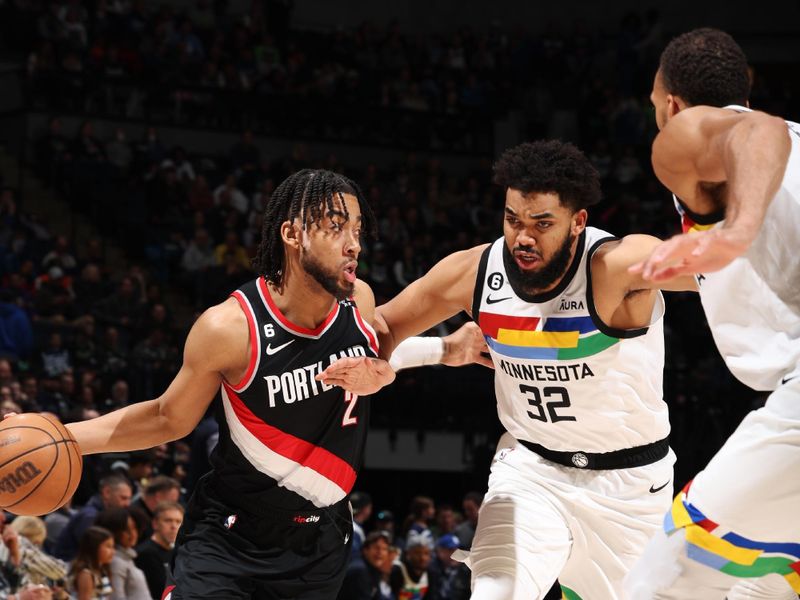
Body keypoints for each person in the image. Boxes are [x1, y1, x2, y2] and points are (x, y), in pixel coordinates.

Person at [30, 169, 481, 599]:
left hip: (319, 542)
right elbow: (167, 417)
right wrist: (63, 440)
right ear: (292, 235)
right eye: (337, 227)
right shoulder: (231, 328)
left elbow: (376, 358)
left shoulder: (358, 300)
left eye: (358, 230)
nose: (353, 245)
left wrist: (444, 350)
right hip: (230, 534)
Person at [319, 141, 697, 599]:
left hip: (629, 488)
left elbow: (719, 265)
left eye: (542, 223)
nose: (523, 237)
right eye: (513, 218)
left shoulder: (616, 266)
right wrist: (390, 359)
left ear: (579, 222)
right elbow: (381, 326)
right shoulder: (475, 272)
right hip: (530, 472)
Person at [624, 28, 800, 600]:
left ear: (671, 103)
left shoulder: (689, 133)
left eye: (656, 107)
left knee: (664, 579)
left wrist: (734, 233)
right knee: (764, 587)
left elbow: (759, 128)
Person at [54, 475, 133, 561]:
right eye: (123, 498)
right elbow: (91, 553)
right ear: (107, 492)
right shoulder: (89, 516)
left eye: (129, 499)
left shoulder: (100, 515)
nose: (127, 504)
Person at [94, 508, 150, 600]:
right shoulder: (115, 562)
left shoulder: (127, 558)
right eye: (126, 530)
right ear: (113, 532)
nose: (132, 534)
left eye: (134, 528)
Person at [134, 502, 184, 600]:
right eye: (168, 520)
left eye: (178, 522)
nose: (174, 526)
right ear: (155, 524)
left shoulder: (178, 551)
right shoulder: (145, 553)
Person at [68, 527, 114, 600]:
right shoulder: (86, 574)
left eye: (112, 547)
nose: (112, 552)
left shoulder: (103, 570)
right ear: (94, 547)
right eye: (108, 546)